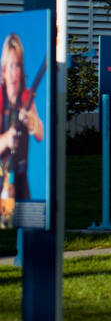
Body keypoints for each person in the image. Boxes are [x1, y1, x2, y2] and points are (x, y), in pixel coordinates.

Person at [0, 33, 44, 226]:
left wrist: (31, 121)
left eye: (18, 65)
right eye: (10, 65)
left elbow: (40, 135)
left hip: (21, 175)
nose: (14, 72)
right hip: (3, 176)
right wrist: (7, 138)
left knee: (29, 224)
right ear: (3, 70)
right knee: (6, 221)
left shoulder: (26, 97)